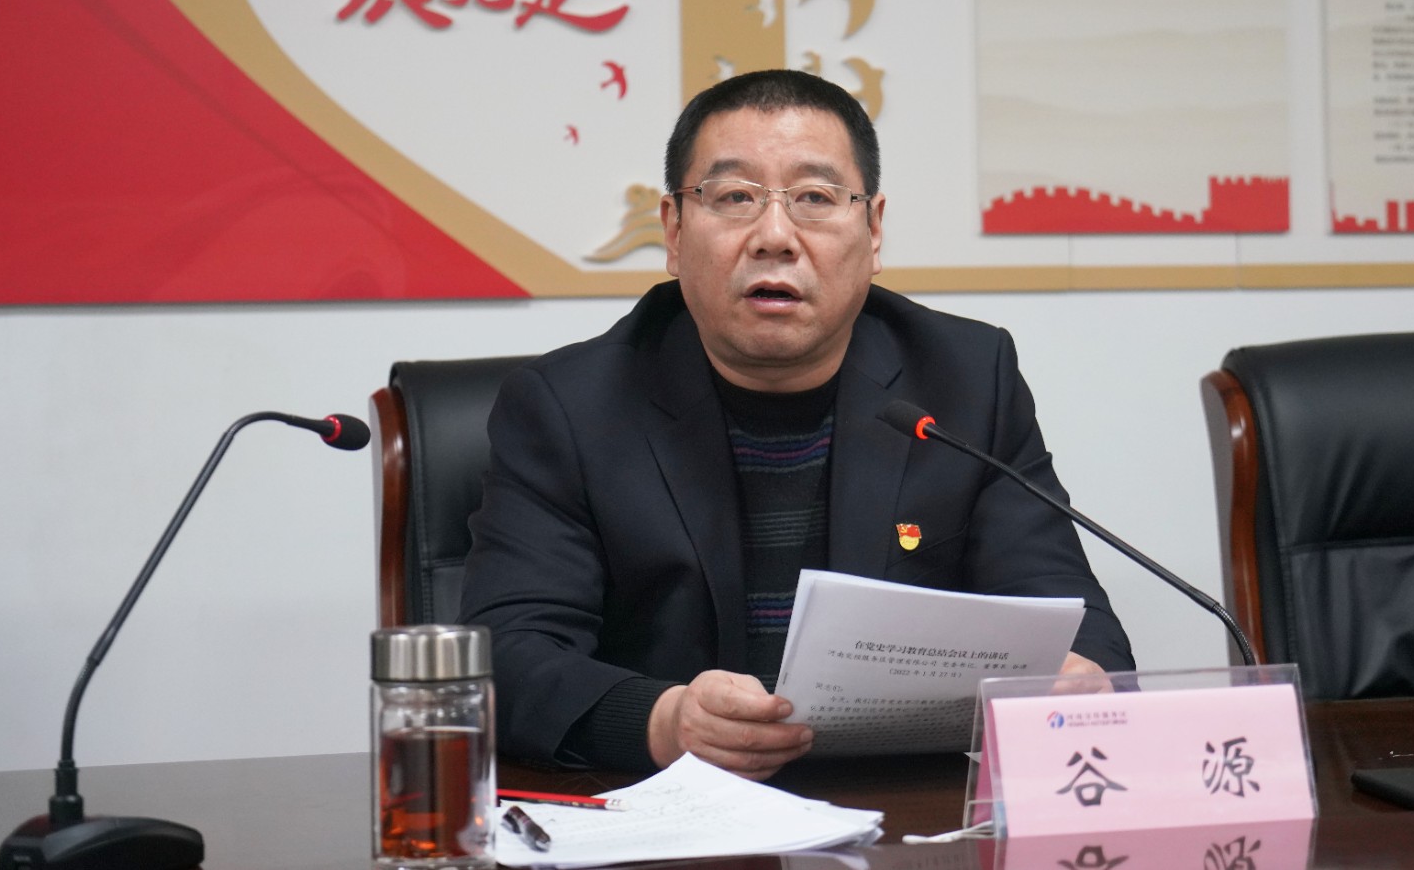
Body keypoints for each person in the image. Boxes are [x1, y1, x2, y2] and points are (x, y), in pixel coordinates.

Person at [458, 69, 1134, 781]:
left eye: (814, 198)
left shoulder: (966, 379)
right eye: (734, 197)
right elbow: (508, 653)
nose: (774, 236)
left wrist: (1081, 678)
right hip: (676, 808)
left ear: (873, 229)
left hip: (902, 810)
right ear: (674, 230)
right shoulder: (569, 406)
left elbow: (1071, 616)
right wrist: (665, 721)